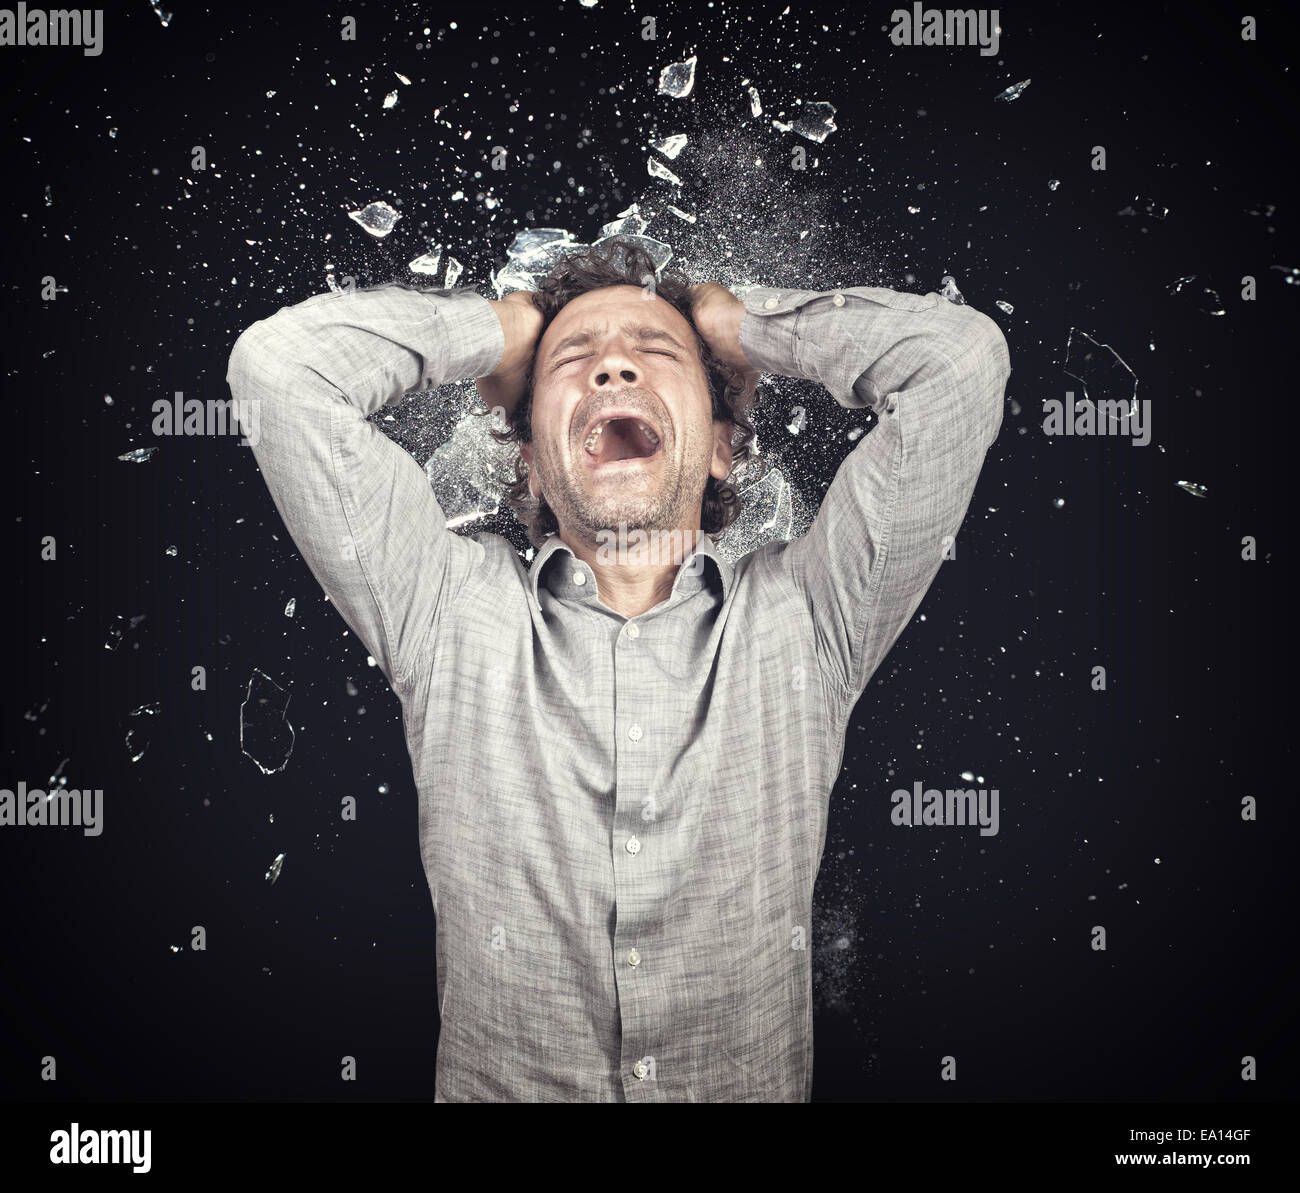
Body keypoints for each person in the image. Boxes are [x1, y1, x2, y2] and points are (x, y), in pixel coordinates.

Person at [225, 237, 1011, 1102]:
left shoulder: (810, 618)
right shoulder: (446, 610)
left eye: (654, 351)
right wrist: (500, 329)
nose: (611, 370)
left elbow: (961, 365)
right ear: (528, 458)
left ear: (721, 445)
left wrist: (738, 324)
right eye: (574, 358)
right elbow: (279, 369)